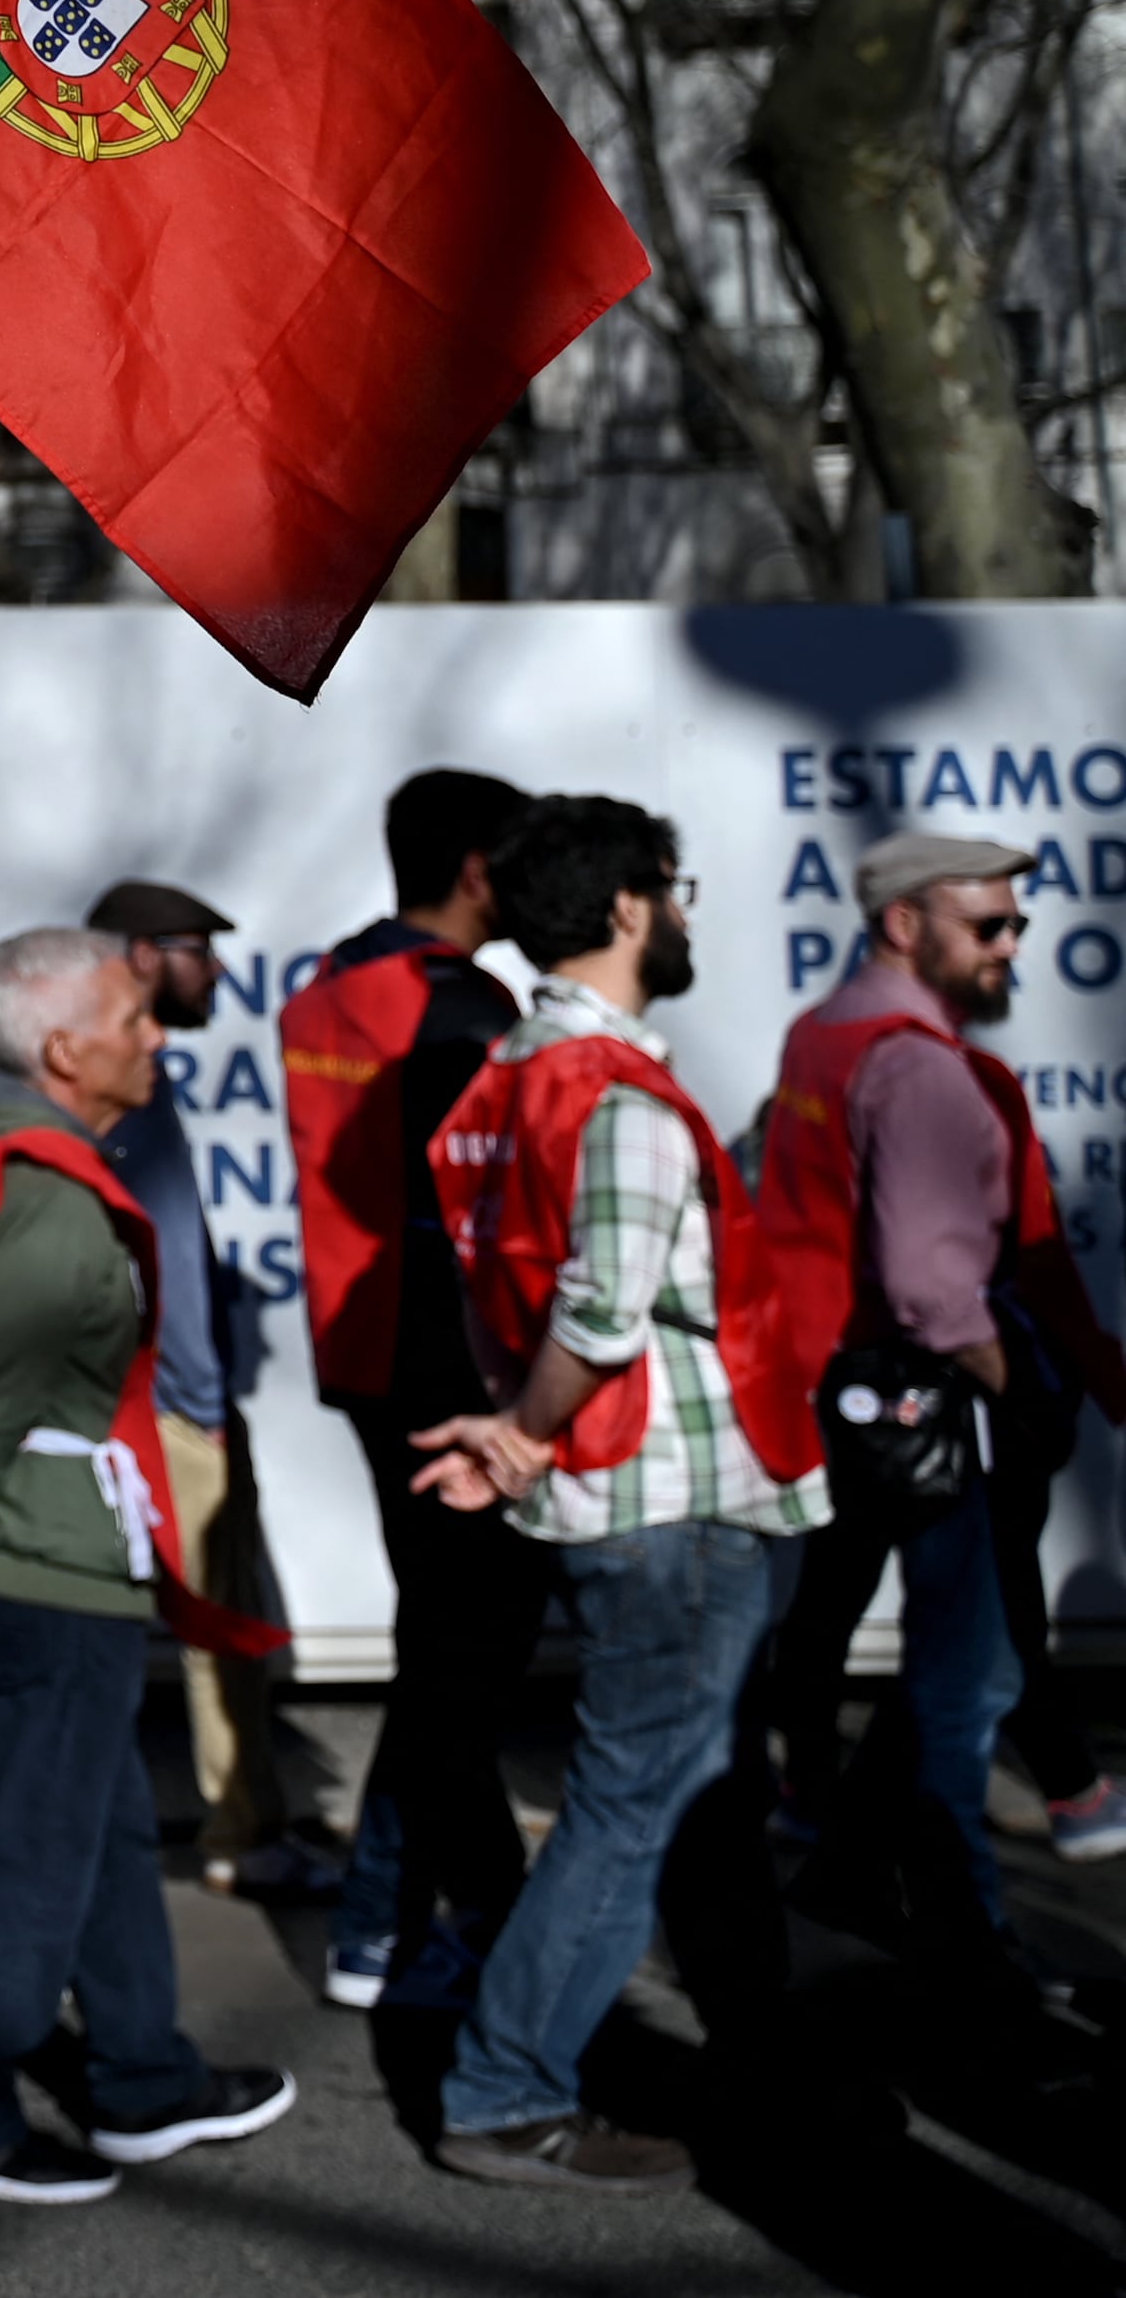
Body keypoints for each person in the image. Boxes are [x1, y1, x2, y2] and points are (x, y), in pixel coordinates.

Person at [409, 793, 846, 2192]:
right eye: (674, 888)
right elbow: (597, 1311)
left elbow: (513, 1287)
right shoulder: (610, 1090)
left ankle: (753, 2051)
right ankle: (503, 2090)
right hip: (674, 1504)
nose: (682, 912)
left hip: (642, 1494)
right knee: (634, 1804)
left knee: (696, 1794)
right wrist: (520, 1429)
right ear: (625, 908)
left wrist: (518, 1427)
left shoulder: (509, 1075)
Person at [0, 928, 296, 2205]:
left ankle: (141, 2080)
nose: (154, 1038)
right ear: (60, 1051)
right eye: (129, 1020)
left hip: (20, 1544)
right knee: (40, 1848)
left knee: (98, 1821)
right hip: (36, 1560)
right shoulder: (43, 1198)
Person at [753, 829, 1126, 1951]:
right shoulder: (920, 1068)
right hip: (927, 1402)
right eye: (989, 924)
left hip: (842, 1389)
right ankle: (969, 1954)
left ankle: (848, 1863)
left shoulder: (821, 1032)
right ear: (903, 923)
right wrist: (1020, 1389)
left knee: (932, 1649)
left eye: (1016, 922)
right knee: (965, 1680)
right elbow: (929, 1285)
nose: (1011, 944)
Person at [277, 768, 540, 2010]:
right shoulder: (459, 1007)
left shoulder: (331, 983)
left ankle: (458, 1906)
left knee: (446, 1644)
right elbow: (471, 1209)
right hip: (448, 1366)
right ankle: (385, 1920)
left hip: (364, 1355)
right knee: (458, 1656)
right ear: (478, 871)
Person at [83, 875, 313, 1895]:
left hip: (144, 1395)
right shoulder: (114, 1074)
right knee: (214, 1628)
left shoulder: (114, 1067)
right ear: (141, 956)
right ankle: (242, 1832)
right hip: (164, 1403)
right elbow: (157, 1254)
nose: (215, 970)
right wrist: (195, 1395)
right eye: (195, 949)